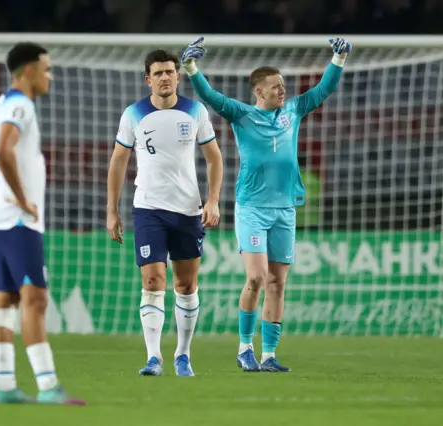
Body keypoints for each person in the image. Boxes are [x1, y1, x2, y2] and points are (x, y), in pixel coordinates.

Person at [181, 36, 351, 372]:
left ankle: (269, 354)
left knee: (278, 282)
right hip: (252, 209)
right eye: (275, 87)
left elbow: (322, 91)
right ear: (258, 92)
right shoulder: (242, 115)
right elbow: (211, 97)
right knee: (257, 278)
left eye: (283, 85)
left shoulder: (293, 110)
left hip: (285, 209)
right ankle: (245, 347)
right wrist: (191, 68)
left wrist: (338, 59)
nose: (282, 91)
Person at [0, 42, 85, 404]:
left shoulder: (0, 106)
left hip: (0, 216)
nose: (50, 76)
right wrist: (21, 199)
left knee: (5, 299)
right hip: (18, 221)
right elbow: (3, 150)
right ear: (27, 72)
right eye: (46, 69)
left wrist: (2, 188)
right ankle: (48, 385)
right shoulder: (20, 105)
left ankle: (4, 386)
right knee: (35, 299)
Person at [106, 49, 224, 377]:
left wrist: (212, 201)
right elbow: (118, 161)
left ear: (178, 76)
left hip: (188, 210)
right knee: (153, 280)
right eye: (158, 73)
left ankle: (182, 355)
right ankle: (153, 357)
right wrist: (111, 210)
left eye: (170, 71)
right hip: (148, 209)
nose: (165, 77)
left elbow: (214, 158)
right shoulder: (133, 114)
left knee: (185, 286)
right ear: (148, 79)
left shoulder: (195, 111)